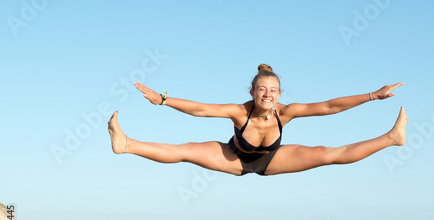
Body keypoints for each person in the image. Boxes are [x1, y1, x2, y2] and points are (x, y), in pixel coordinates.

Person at [108, 64, 408, 176]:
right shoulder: (240, 111)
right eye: (262, 89)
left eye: (273, 90)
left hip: (270, 159)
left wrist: (373, 95)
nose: (268, 94)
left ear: (280, 93)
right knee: (186, 150)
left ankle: (392, 138)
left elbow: (329, 106)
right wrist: (162, 99)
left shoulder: (287, 112)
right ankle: (126, 144)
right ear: (253, 91)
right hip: (234, 158)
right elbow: (200, 109)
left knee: (326, 154)